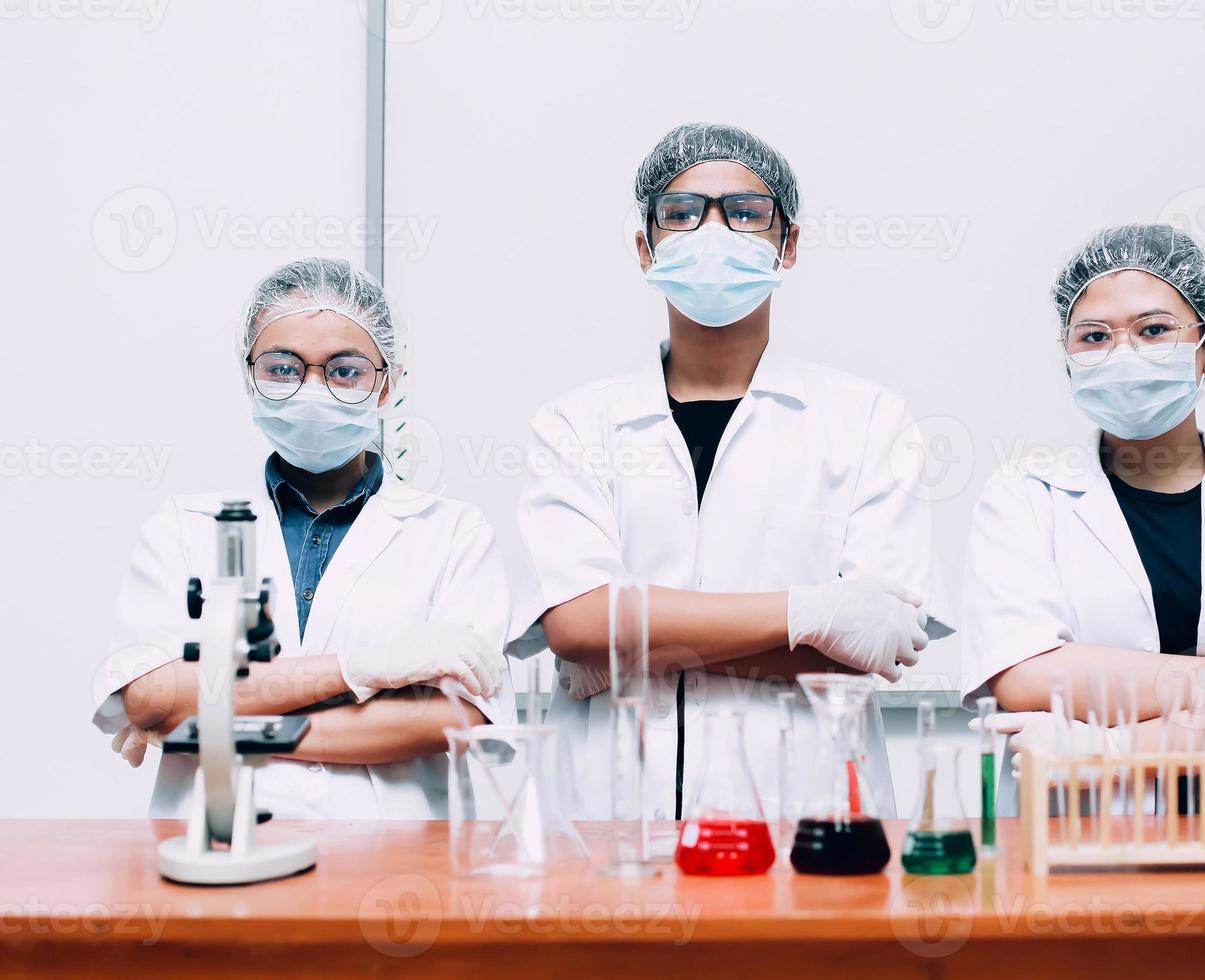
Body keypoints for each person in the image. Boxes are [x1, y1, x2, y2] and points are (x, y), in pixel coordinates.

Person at [512, 123, 948, 822]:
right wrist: (812, 614)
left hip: (807, 811)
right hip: (609, 815)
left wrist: (635, 645)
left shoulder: (866, 419)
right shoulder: (577, 424)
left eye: (745, 213)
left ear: (789, 244)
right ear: (644, 247)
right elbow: (577, 626)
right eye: (682, 214)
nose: (713, 231)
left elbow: (873, 646)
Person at [92, 258, 513, 819]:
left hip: (394, 870)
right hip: (215, 856)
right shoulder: (183, 527)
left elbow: (454, 717)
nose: (312, 389)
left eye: (345, 370)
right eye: (283, 367)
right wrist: (362, 670)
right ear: (250, 375)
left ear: (388, 384)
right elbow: (150, 697)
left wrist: (219, 720)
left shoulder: (453, 533)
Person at [961, 224, 1205, 812]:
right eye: (1093, 336)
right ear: (1068, 358)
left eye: (1154, 330)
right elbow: (1024, 676)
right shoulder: (1026, 497)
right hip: (1080, 840)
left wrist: (1111, 748)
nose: (1123, 354)